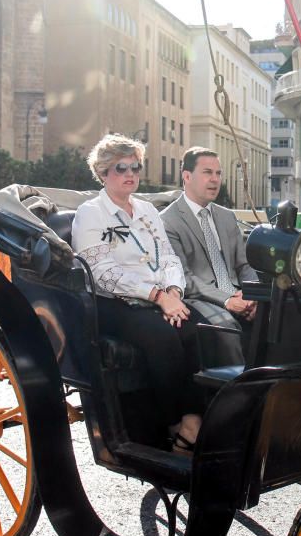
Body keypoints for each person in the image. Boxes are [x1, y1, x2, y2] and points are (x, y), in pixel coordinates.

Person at [71, 134, 204, 452]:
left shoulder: (146, 209)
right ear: (103, 173)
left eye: (135, 167)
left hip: (157, 298)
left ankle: (196, 416)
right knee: (162, 335)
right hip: (112, 304)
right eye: (121, 168)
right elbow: (103, 273)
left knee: (198, 326)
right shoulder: (90, 213)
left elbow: (169, 256)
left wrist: (173, 290)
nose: (130, 174)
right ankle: (176, 426)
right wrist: (158, 296)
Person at [161, 147, 256, 362]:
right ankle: (236, 393)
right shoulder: (167, 221)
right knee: (226, 329)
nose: (215, 180)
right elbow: (184, 277)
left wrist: (252, 295)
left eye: (218, 173)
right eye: (207, 172)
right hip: (199, 298)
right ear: (186, 176)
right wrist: (227, 300)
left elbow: (244, 265)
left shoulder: (227, 217)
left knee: (279, 317)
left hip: (239, 294)